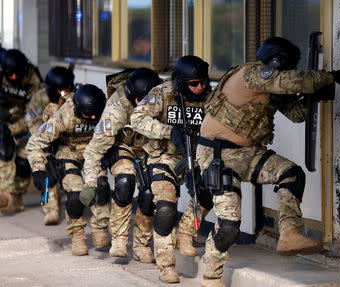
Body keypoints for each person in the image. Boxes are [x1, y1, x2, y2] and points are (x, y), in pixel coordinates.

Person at [195, 36, 340, 287]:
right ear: (276, 62)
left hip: (248, 154)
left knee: (291, 174)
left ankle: (289, 233)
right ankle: (211, 277)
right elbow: (295, 81)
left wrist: (317, 94)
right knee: (229, 225)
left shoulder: (269, 85)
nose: (292, 71)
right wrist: (329, 76)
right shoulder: (254, 73)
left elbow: (296, 114)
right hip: (217, 155)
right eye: (289, 66)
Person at [130, 55, 213, 283]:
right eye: (193, 83)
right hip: (163, 156)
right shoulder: (162, 93)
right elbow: (137, 118)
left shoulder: (210, 97)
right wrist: (169, 132)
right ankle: (166, 265)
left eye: (203, 82)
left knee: (208, 190)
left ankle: (186, 233)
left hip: (196, 156)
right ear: (180, 82)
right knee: (165, 209)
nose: (199, 88)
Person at [81, 68, 162, 263]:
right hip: (122, 146)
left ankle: (141, 245)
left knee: (150, 193)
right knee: (125, 183)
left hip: (149, 147)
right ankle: (119, 238)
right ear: (135, 100)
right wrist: (91, 182)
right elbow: (95, 148)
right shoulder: (116, 108)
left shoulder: (161, 98)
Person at [25, 84, 110, 256]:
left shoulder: (104, 112)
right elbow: (34, 143)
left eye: (95, 115)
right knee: (74, 196)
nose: (92, 118)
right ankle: (78, 235)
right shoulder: (64, 116)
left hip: (93, 150)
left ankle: (100, 227)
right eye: (88, 115)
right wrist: (38, 170)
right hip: (68, 151)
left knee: (100, 186)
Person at [25, 66, 75, 225]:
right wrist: (47, 138)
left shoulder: (74, 98)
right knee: (48, 172)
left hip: (68, 139)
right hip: (46, 137)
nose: (63, 93)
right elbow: (32, 122)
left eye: (66, 89)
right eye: (60, 90)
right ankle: (51, 209)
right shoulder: (39, 99)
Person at [0, 49, 42, 214]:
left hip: (25, 121)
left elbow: (36, 111)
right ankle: (4, 194)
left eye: (17, 75)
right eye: (10, 75)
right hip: (4, 119)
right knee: (4, 151)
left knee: (24, 162)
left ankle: (17, 196)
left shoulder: (33, 80)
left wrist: (13, 128)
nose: (14, 78)